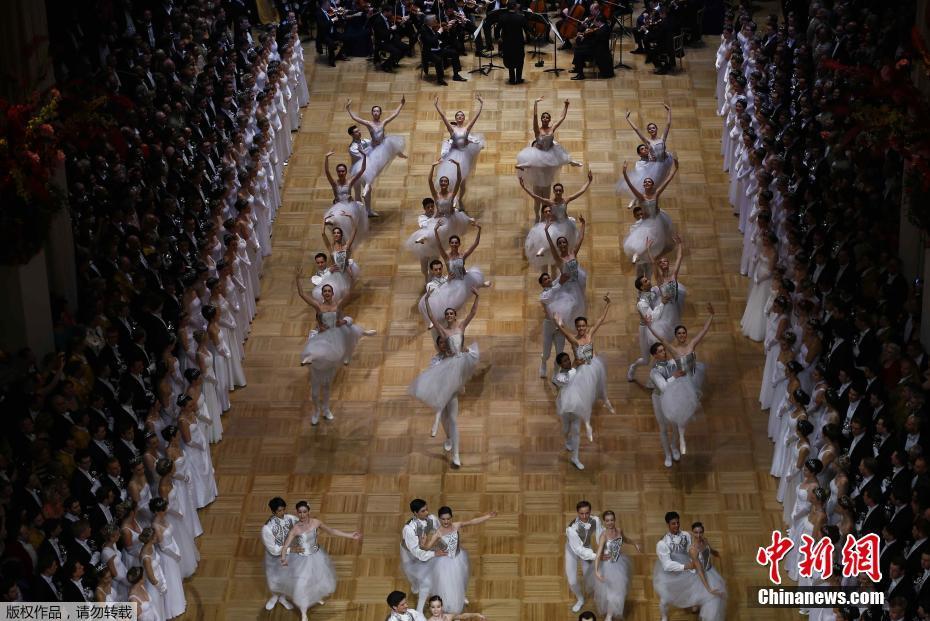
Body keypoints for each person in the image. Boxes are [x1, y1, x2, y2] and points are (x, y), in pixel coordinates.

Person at [409, 291, 481, 468]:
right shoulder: (443, 331)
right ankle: (445, 432)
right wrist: (427, 301)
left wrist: (477, 297)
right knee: (444, 416)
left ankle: (456, 455)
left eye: (451, 313)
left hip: (457, 364)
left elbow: (472, 313)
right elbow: (432, 318)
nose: (449, 315)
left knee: (453, 419)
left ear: (455, 315)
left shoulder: (461, 327)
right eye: (447, 313)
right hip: (447, 367)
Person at [295, 268, 376, 424]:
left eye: (329, 291)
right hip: (322, 338)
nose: (326, 293)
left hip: (334, 340)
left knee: (326, 385)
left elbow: (350, 293)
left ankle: (326, 409)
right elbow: (302, 295)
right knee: (314, 391)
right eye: (324, 291)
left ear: (332, 294)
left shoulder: (338, 305)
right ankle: (316, 411)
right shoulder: (318, 306)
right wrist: (298, 279)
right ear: (322, 294)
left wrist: (352, 278)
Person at [645, 304, 715, 451]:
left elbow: (703, 331)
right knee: (679, 408)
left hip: (691, 378)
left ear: (686, 334)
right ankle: (680, 436)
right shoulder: (673, 349)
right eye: (679, 333)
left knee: (689, 406)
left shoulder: (692, 345)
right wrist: (649, 326)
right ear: (676, 336)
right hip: (680, 382)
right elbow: (661, 338)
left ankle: (681, 435)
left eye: (684, 333)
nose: (682, 335)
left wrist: (711, 315)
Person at [279, 500, 362, 621]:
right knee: (302, 586)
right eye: (300, 512)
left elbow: (331, 531)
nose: (302, 515)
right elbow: (285, 546)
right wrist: (283, 559)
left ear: (309, 512)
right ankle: (303, 612)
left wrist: (350, 535)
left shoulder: (316, 522)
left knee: (317, 578)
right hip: (302, 560)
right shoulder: (295, 529)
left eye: (304, 512)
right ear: (297, 513)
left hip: (316, 556)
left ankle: (315, 597)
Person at [551, 294, 616, 441]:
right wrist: (557, 321)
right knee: (586, 397)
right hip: (583, 371)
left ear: (586, 326)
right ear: (576, 327)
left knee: (601, 385)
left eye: (583, 325)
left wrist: (608, 304)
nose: (581, 328)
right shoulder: (574, 339)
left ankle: (606, 400)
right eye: (579, 326)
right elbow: (563, 330)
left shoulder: (590, 334)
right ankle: (587, 424)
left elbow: (601, 320)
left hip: (595, 366)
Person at [516, 98, 583, 222]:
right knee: (537, 200)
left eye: (547, 117)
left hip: (550, 155)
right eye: (544, 117)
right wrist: (535, 103)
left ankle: (570, 161)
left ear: (549, 119)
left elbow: (562, 118)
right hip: (539, 155)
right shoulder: (537, 130)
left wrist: (566, 106)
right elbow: (534, 117)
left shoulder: (552, 128)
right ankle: (537, 215)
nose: (545, 119)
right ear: (542, 119)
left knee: (546, 199)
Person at [424, 507, 497, 614]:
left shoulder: (456, 525)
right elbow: (427, 547)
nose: (446, 521)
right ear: (439, 519)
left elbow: (472, 522)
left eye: (448, 519)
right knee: (446, 583)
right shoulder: (438, 533)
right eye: (443, 519)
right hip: (444, 562)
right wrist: (425, 544)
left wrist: (488, 516)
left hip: (458, 559)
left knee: (460, 580)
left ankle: (460, 596)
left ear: (451, 517)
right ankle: (448, 603)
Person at [345, 97, 409, 217]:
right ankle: (366, 192)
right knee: (371, 172)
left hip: (382, 147)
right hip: (374, 150)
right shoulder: (369, 124)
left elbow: (394, 115)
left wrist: (401, 104)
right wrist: (348, 109)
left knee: (391, 143)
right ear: (372, 113)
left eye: (377, 111)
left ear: (380, 113)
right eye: (374, 111)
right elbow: (356, 118)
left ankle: (399, 153)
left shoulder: (383, 123)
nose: (375, 113)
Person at [419, 221, 490, 327]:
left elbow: (475, 244)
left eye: (456, 242)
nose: (454, 244)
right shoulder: (446, 257)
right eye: (452, 243)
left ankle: (481, 284)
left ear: (459, 244)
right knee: (441, 300)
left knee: (472, 283)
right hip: (452, 281)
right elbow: (439, 245)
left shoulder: (463, 255)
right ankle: (434, 320)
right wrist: (435, 230)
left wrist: (479, 230)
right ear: (450, 244)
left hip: (463, 279)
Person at [522, 173, 591, 274]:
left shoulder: (566, 200)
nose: (558, 192)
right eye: (556, 190)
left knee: (564, 246)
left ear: (562, 191)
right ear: (554, 191)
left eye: (560, 190)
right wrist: (524, 187)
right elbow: (535, 196)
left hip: (566, 226)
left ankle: (561, 264)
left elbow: (580, 191)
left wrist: (589, 182)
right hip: (554, 226)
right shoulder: (550, 202)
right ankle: (544, 253)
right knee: (548, 241)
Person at [435, 95, 485, 210]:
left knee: (462, 183)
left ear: (463, 118)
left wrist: (481, 104)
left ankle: (460, 199)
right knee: (451, 179)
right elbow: (443, 117)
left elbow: (475, 117)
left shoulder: (466, 129)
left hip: (464, 157)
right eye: (458, 115)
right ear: (456, 118)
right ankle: (452, 199)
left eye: (462, 115)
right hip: (453, 156)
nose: (460, 116)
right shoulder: (452, 129)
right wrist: (437, 105)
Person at [400, 500, 446, 614]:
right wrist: (434, 553)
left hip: (423, 550)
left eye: (427, 509)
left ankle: (419, 609)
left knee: (426, 579)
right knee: (412, 575)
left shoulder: (431, 519)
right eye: (423, 511)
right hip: (410, 554)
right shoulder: (409, 529)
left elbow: (439, 532)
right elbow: (416, 552)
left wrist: (445, 544)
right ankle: (415, 587)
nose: (427, 512)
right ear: (415, 513)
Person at [617, 106, 676, 195]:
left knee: (656, 187)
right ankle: (640, 197)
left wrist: (669, 111)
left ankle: (645, 198)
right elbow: (637, 130)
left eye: (653, 128)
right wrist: (628, 119)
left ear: (656, 129)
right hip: (656, 166)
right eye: (650, 129)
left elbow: (668, 124)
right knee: (650, 186)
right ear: (648, 131)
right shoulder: (648, 142)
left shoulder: (662, 139)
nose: (652, 129)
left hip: (665, 162)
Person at [594, 510, 640, 621]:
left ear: (615, 520)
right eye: (607, 521)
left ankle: (611, 613)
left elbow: (625, 539)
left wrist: (634, 544)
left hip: (619, 564)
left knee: (619, 590)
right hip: (608, 566)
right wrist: (596, 571)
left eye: (612, 520)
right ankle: (609, 616)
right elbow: (598, 554)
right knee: (611, 592)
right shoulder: (603, 535)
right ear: (604, 522)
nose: (610, 522)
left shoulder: (619, 530)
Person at [565, 500, 605, 613]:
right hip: (572, 551)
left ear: (590, 511)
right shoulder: (571, 529)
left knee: (589, 576)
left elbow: (600, 536)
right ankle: (580, 599)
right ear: (577, 513)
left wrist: (604, 548)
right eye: (581, 513)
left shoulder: (595, 520)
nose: (584, 516)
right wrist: (597, 556)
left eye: (587, 513)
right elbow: (579, 550)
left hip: (587, 548)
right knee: (572, 581)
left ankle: (594, 594)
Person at [648, 342, 683, 468]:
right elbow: (663, 387)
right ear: (655, 355)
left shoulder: (672, 363)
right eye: (660, 351)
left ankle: (673, 446)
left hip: (673, 397)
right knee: (663, 428)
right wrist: (674, 376)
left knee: (676, 426)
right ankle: (667, 454)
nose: (664, 353)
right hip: (659, 400)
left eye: (664, 350)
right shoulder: (654, 372)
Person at [322, 150, 369, 245]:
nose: (341, 173)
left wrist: (364, 156)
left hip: (348, 206)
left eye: (343, 171)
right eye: (339, 171)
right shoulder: (334, 183)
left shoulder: (350, 182)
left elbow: (362, 170)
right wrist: (326, 158)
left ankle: (347, 243)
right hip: (338, 206)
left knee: (348, 226)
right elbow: (327, 172)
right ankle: (340, 242)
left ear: (346, 172)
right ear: (337, 172)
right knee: (337, 224)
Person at [261, 497, 298, 611]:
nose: (282, 513)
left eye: (283, 509)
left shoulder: (290, 518)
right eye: (279, 511)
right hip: (274, 558)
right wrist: (291, 549)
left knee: (287, 577)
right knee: (273, 579)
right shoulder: (267, 528)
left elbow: (301, 525)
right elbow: (273, 550)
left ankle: (283, 597)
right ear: (273, 511)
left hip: (290, 555)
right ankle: (274, 596)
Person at [422, 17, 468, 86]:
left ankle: (456, 75)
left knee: (454, 53)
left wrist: (448, 29)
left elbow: (443, 38)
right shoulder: (424, 30)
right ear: (429, 22)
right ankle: (440, 79)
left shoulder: (433, 27)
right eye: (434, 20)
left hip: (437, 49)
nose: (437, 21)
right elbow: (432, 41)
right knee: (438, 60)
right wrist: (439, 32)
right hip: (429, 52)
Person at [539, 272, 568, 377]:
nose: (548, 280)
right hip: (549, 325)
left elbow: (562, 275)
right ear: (542, 284)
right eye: (545, 279)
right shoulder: (543, 296)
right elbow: (551, 296)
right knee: (546, 353)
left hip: (560, 326)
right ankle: (543, 362)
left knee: (560, 353)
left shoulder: (556, 285)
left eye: (549, 278)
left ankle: (556, 370)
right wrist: (559, 283)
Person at [371, 7, 411, 72]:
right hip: (382, 42)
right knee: (397, 52)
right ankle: (385, 66)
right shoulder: (378, 21)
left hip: (390, 39)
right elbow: (383, 34)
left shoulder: (387, 18)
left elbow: (393, 30)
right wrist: (391, 29)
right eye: (390, 12)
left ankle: (392, 62)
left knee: (406, 48)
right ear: (385, 12)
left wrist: (400, 24)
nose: (391, 14)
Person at [499, 2, 527, 84]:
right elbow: (527, 29)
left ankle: (512, 79)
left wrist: (499, 38)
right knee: (520, 59)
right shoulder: (521, 17)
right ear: (515, 7)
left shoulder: (502, 17)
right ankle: (518, 79)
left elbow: (497, 30)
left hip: (507, 42)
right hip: (519, 42)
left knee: (509, 58)